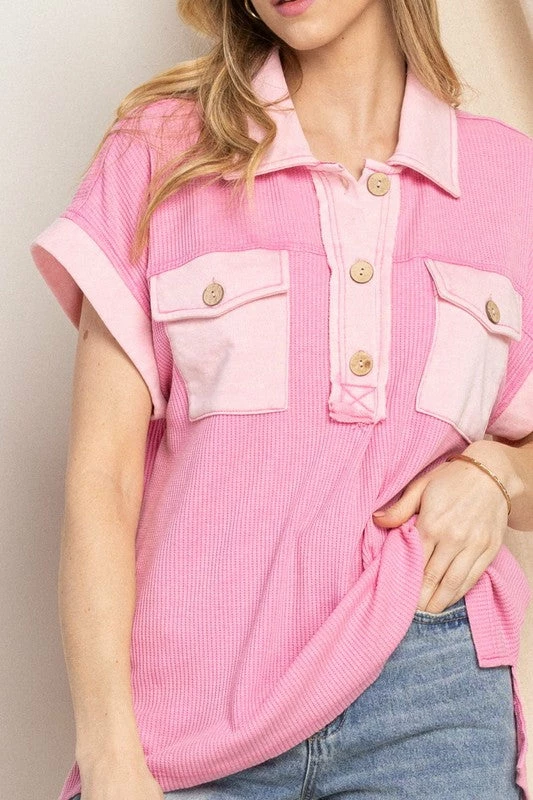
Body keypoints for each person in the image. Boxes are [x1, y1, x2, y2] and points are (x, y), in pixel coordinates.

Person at [29, 0, 533, 798]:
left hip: (430, 699)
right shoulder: (160, 152)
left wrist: (494, 474)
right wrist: (108, 750)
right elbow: (102, 480)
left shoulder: (508, 179)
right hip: (191, 714)